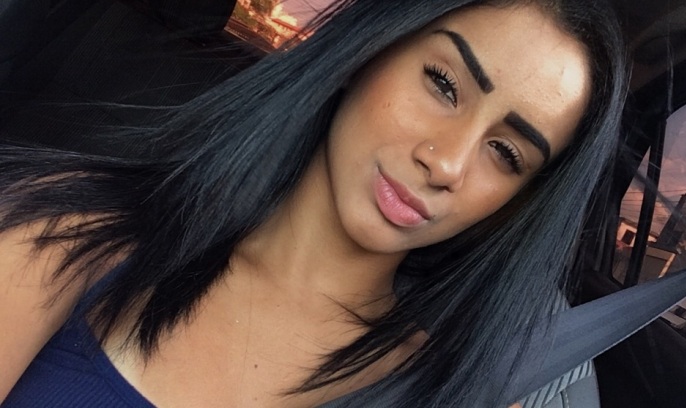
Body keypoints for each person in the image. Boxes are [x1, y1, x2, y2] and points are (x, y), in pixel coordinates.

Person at [0, 0, 627, 406]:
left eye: (507, 153)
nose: (447, 163)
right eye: (443, 84)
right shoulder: (65, 233)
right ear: (370, 51)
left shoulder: (456, 394)